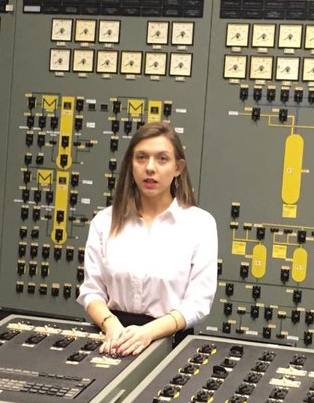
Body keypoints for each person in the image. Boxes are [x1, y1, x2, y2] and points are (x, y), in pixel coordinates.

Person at [78, 121, 217, 356]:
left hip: (171, 343)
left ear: (178, 168)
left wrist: (149, 332)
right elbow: (91, 291)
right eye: (141, 158)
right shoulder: (104, 222)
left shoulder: (200, 224)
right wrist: (110, 324)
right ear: (131, 165)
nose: (150, 168)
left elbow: (198, 302)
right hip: (114, 339)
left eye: (162, 159)